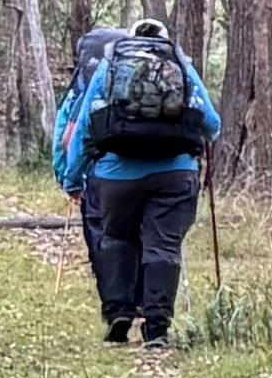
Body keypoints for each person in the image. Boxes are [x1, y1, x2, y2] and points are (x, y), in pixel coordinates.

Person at [49, 18, 222, 346]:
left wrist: (73, 179)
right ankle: (156, 326)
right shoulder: (180, 64)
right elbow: (212, 123)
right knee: (163, 245)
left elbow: (86, 125)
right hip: (174, 174)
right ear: (166, 41)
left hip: (116, 177)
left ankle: (119, 314)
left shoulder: (110, 65)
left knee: (117, 240)